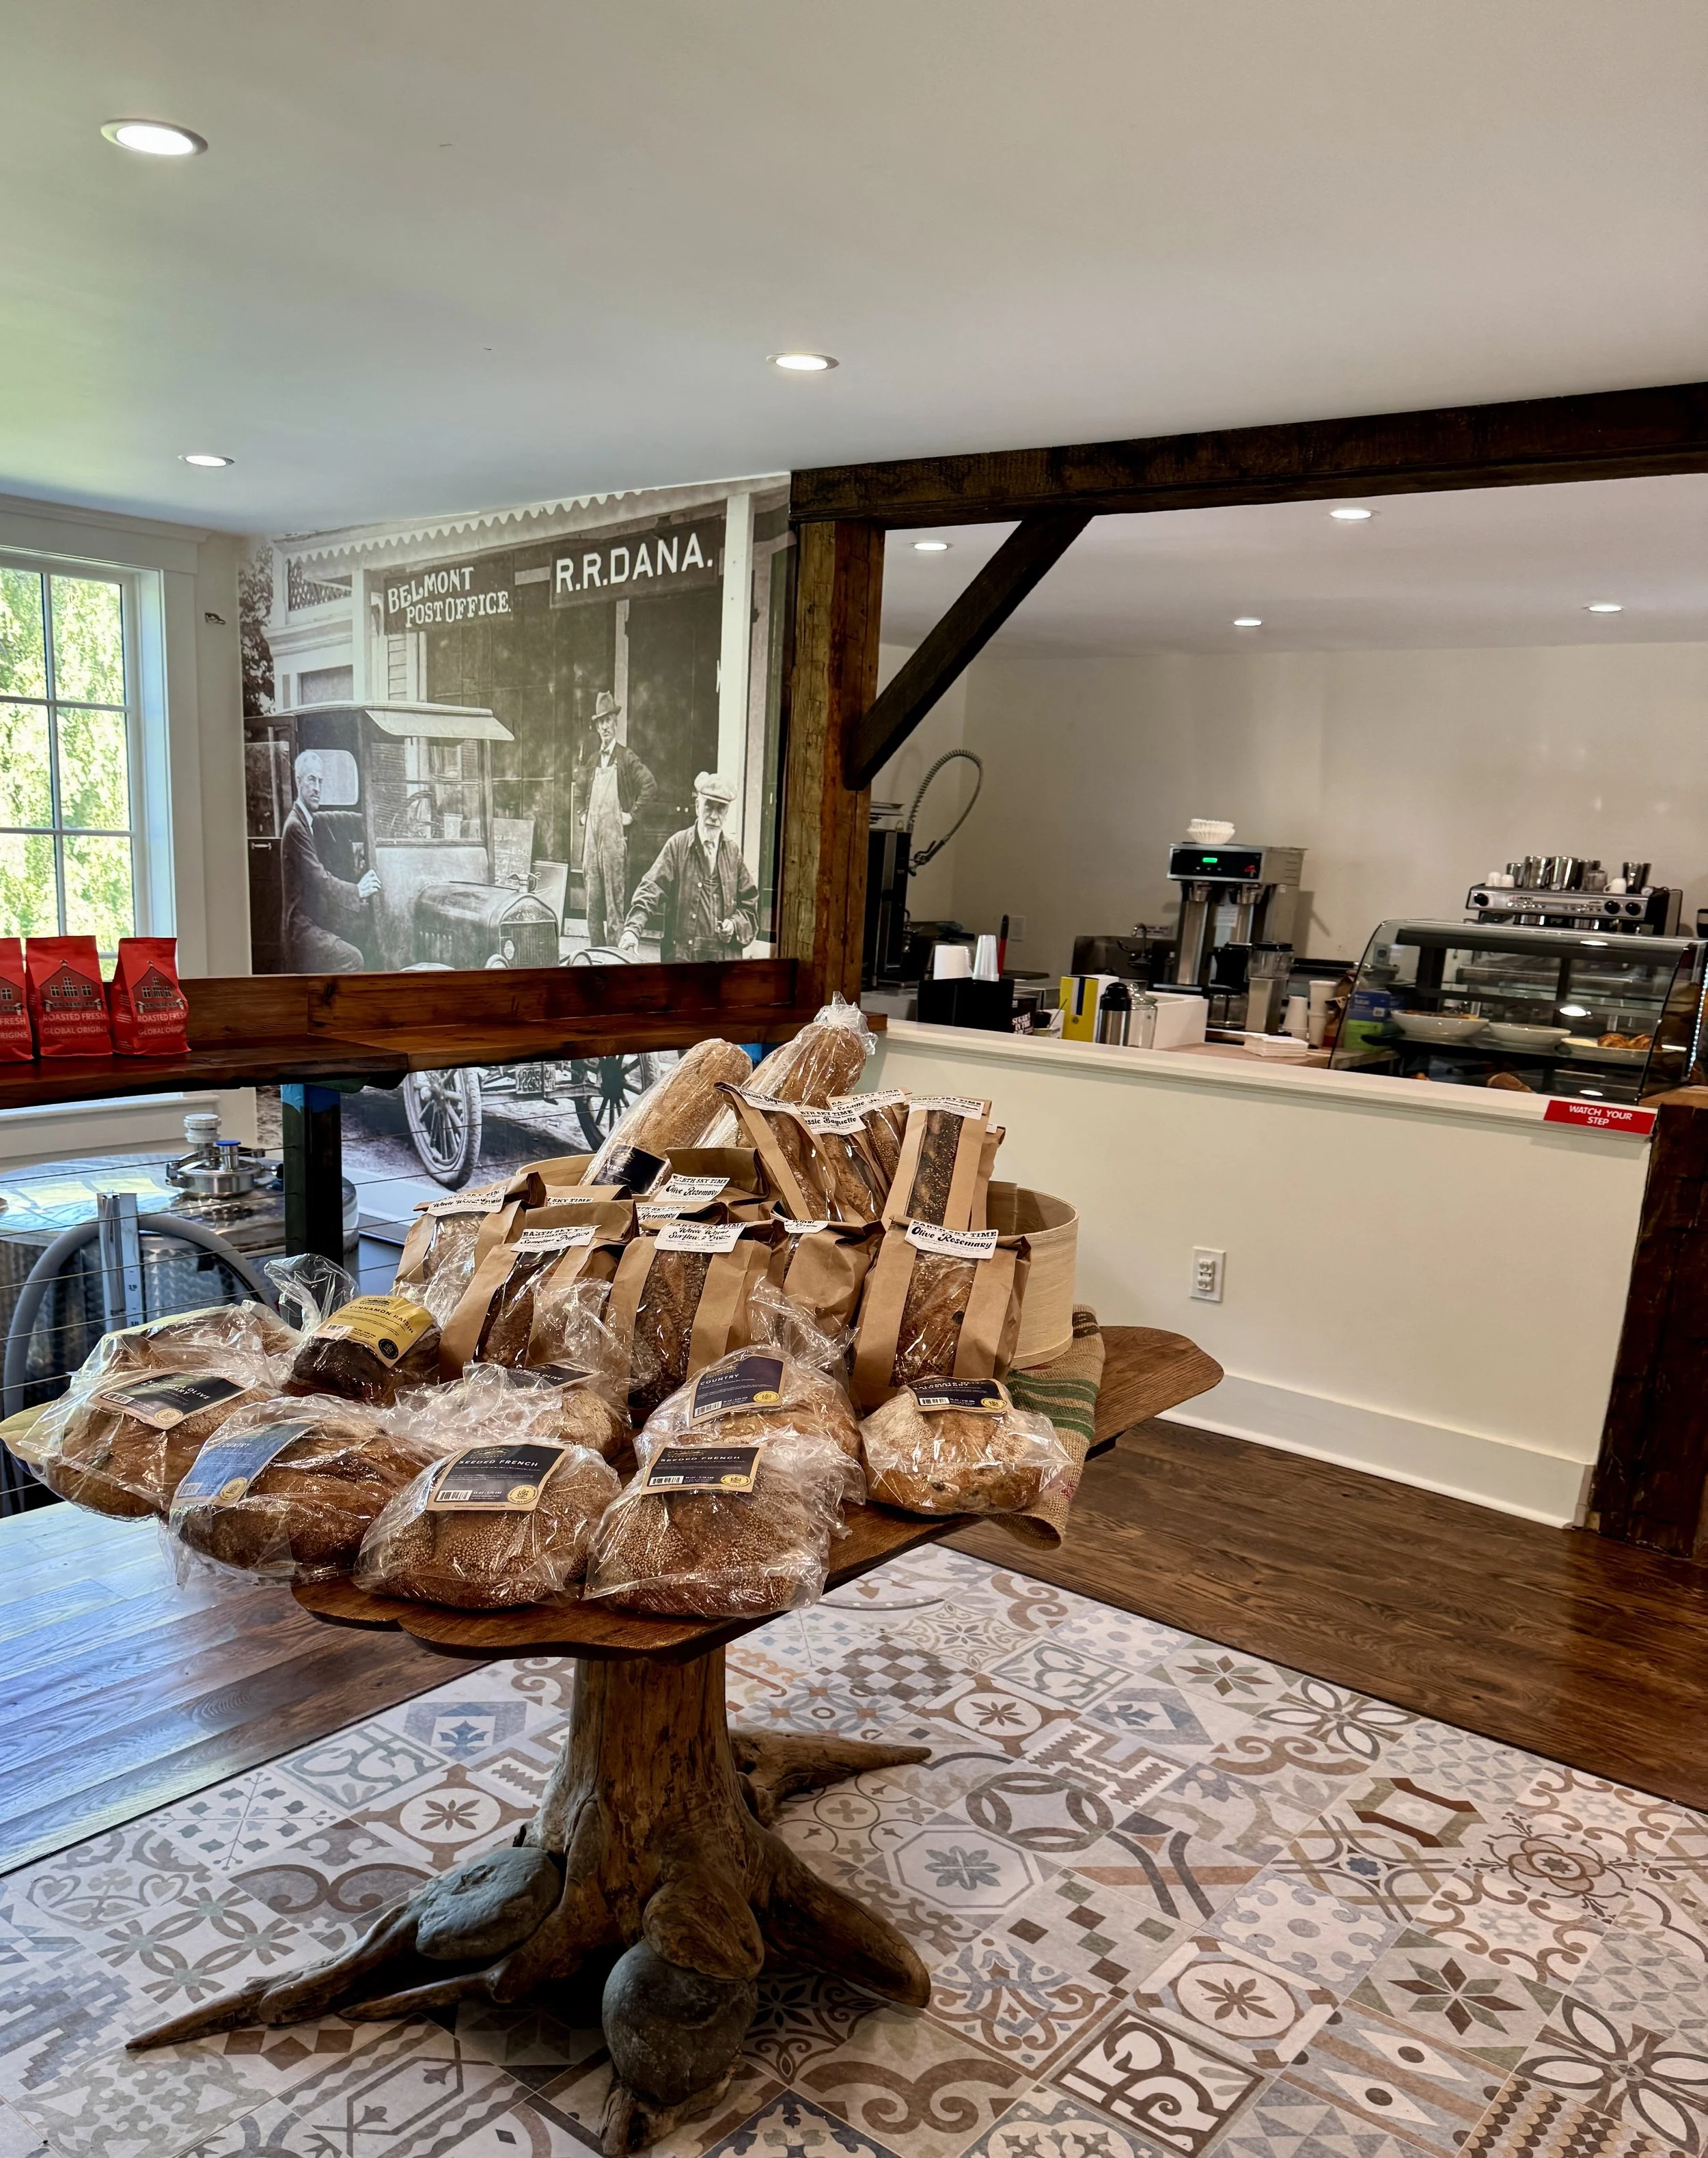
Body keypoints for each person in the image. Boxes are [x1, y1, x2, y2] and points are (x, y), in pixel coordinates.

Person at [619, 772, 758, 963]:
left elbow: (750, 908)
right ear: (697, 806)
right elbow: (651, 889)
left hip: (722, 964)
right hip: (683, 960)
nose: (714, 816)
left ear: (727, 813)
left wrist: (734, 925)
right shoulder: (678, 846)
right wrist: (632, 930)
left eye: (721, 809)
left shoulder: (733, 854)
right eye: (709, 806)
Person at [280, 749, 380, 971]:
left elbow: (337, 818)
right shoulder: (295, 827)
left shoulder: (308, 819)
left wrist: (373, 819)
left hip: (314, 920)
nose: (317, 788)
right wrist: (358, 891)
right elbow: (320, 879)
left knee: (365, 932)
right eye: (311, 780)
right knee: (354, 959)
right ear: (299, 781)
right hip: (301, 929)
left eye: (320, 782)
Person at [573, 691, 657, 948]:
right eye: (600, 723)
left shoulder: (626, 757)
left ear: (616, 723)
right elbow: (579, 789)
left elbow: (650, 785)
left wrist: (632, 814)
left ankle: (615, 957)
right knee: (593, 904)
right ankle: (596, 955)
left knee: (615, 904)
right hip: (592, 844)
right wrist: (583, 814)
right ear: (597, 727)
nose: (605, 727)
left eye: (609, 721)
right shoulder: (592, 760)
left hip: (613, 844)